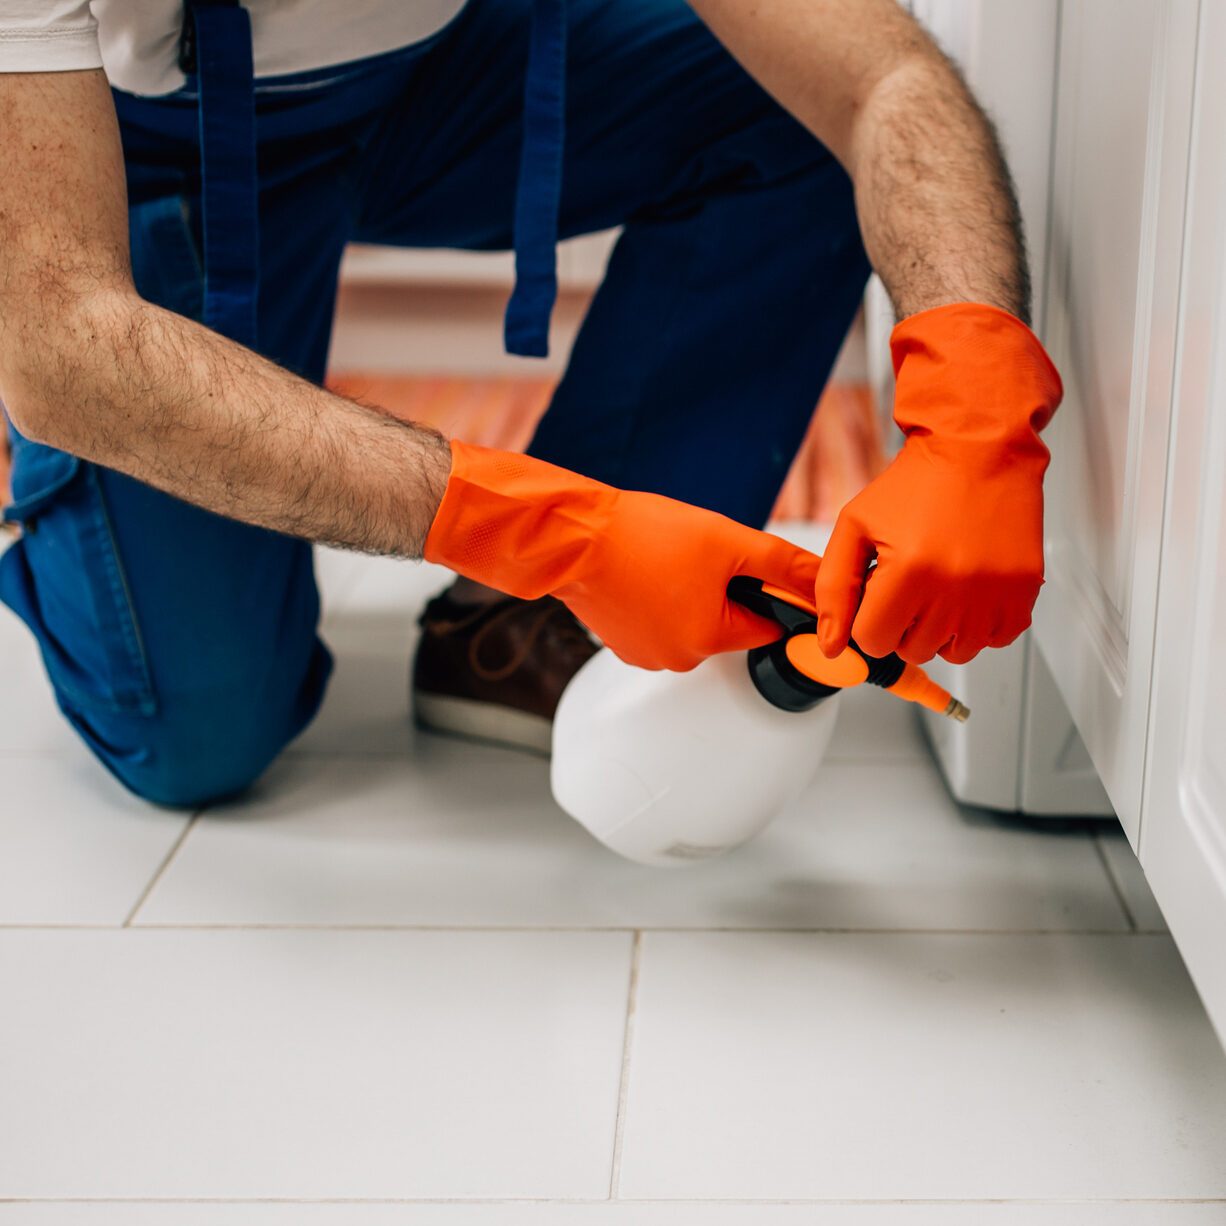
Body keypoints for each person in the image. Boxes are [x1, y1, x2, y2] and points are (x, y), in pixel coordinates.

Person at [0, 0, 1062, 807]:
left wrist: (976, 412)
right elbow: (60, 342)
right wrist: (554, 529)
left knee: (782, 100)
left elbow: (879, 78)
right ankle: (75, 508)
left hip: (436, 72)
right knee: (199, 737)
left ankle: (522, 629)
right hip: (136, 134)